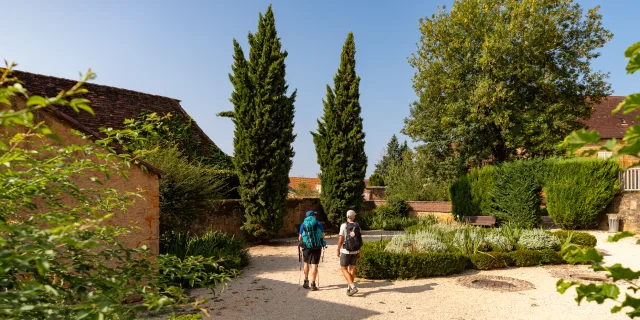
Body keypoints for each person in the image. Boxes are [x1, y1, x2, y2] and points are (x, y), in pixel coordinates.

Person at [336, 209, 363, 296]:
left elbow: (341, 239)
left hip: (346, 250)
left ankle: (353, 287)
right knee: (352, 269)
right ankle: (349, 288)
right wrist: (359, 250)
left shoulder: (343, 225)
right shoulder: (358, 226)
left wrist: (338, 249)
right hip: (355, 250)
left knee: (344, 268)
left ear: (347, 216)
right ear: (353, 216)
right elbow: (358, 239)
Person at [298, 210, 325, 291]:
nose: (315, 216)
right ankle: (313, 284)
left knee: (306, 263)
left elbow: (300, 238)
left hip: (306, 247)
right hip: (317, 246)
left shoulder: (303, 224)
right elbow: (322, 236)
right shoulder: (318, 223)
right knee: (314, 265)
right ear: (313, 216)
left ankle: (306, 281)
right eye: (315, 215)